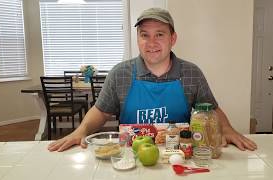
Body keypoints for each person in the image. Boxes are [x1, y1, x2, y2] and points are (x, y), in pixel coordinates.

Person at [48, 7, 257, 152]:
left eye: (159, 34)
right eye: (144, 35)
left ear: (172, 39)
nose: (151, 42)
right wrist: (81, 131)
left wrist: (227, 129)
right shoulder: (120, 73)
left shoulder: (192, 73)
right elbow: (101, 110)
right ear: (138, 39)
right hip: (130, 157)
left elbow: (210, 108)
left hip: (179, 155)